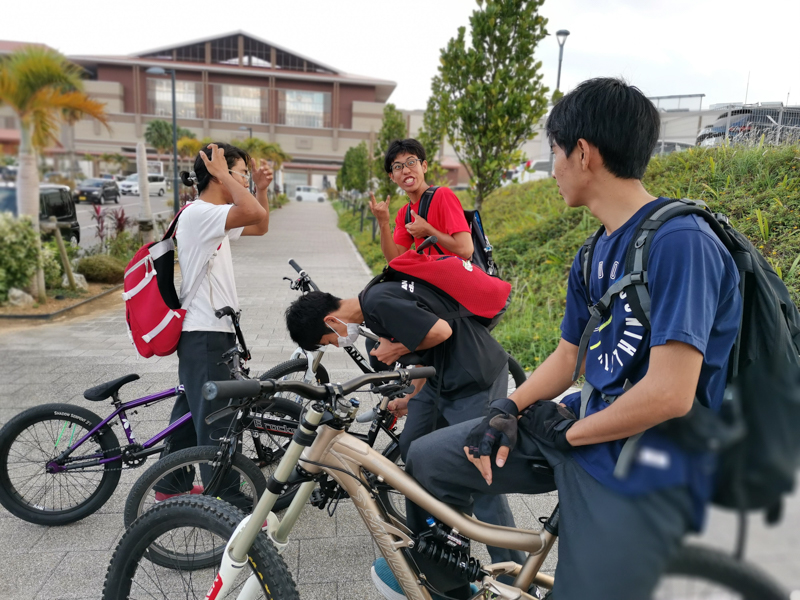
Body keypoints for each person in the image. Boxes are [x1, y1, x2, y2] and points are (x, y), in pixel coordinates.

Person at [381, 78, 743, 600]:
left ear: (583, 152)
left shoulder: (681, 242)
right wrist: (507, 407)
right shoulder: (593, 253)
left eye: (554, 152)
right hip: (583, 424)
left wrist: (568, 434)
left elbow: (670, 392)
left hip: (643, 456)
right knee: (429, 460)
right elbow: (568, 356)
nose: (553, 169)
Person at [283, 279, 527, 573]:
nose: (338, 342)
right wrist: (412, 397)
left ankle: (519, 578)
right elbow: (426, 347)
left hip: (474, 378)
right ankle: (434, 550)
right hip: (439, 379)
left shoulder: (378, 302)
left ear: (331, 321)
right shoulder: (372, 312)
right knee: (412, 450)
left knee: (481, 476)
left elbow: (441, 331)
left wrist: (396, 348)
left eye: (330, 340)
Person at [154, 142, 272, 504]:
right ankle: (227, 502)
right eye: (241, 174)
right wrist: (223, 173)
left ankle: (170, 484)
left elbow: (260, 225)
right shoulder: (200, 213)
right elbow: (250, 211)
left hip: (207, 332)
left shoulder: (209, 214)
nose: (244, 182)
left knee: (192, 414)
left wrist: (261, 190)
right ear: (219, 174)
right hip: (205, 334)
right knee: (216, 421)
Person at [369, 138, 473, 263]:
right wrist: (383, 223)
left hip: (455, 278)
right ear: (392, 177)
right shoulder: (405, 214)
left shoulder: (442, 196)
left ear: (424, 166)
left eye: (411, 162)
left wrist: (428, 230)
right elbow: (395, 260)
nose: (406, 171)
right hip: (429, 280)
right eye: (398, 167)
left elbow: (466, 249)